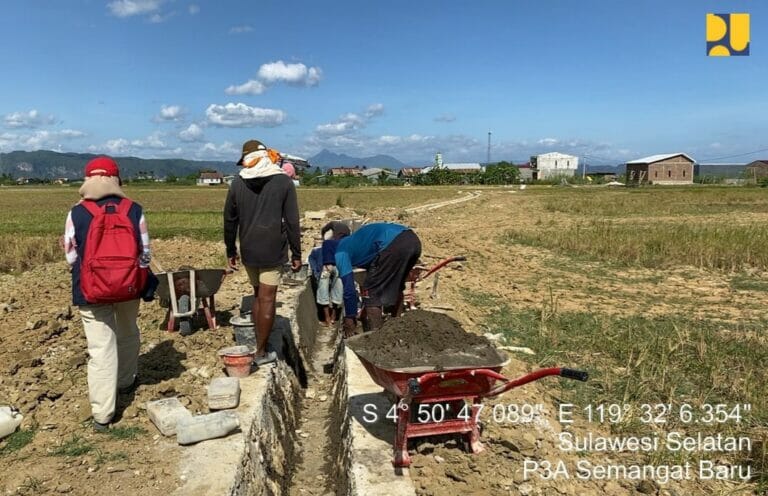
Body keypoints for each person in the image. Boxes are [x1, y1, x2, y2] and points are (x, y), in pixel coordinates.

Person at [63, 156, 151, 432]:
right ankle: (126, 381)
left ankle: (103, 414)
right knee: (127, 331)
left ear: (87, 180)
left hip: (91, 289)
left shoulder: (77, 212)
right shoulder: (133, 209)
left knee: (101, 348)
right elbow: (145, 254)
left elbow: (70, 255)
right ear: (116, 179)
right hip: (128, 286)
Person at [224, 140, 301, 365]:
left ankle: (259, 344)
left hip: (249, 248)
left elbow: (229, 219)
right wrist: (296, 253)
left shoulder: (237, 183)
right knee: (268, 299)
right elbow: (292, 222)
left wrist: (231, 249)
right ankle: (261, 351)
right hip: (272, 248)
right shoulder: (283, 182)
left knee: (258, 295)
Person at [333, 222, 421, 337]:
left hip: (392, 244)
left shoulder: (340, 251)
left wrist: (350, 317)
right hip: (412, 240)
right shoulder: (358, 241)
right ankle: (398, 329)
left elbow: (349, 289)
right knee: (397, 286)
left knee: (370, 293)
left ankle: (378, 339)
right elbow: (376, 266)